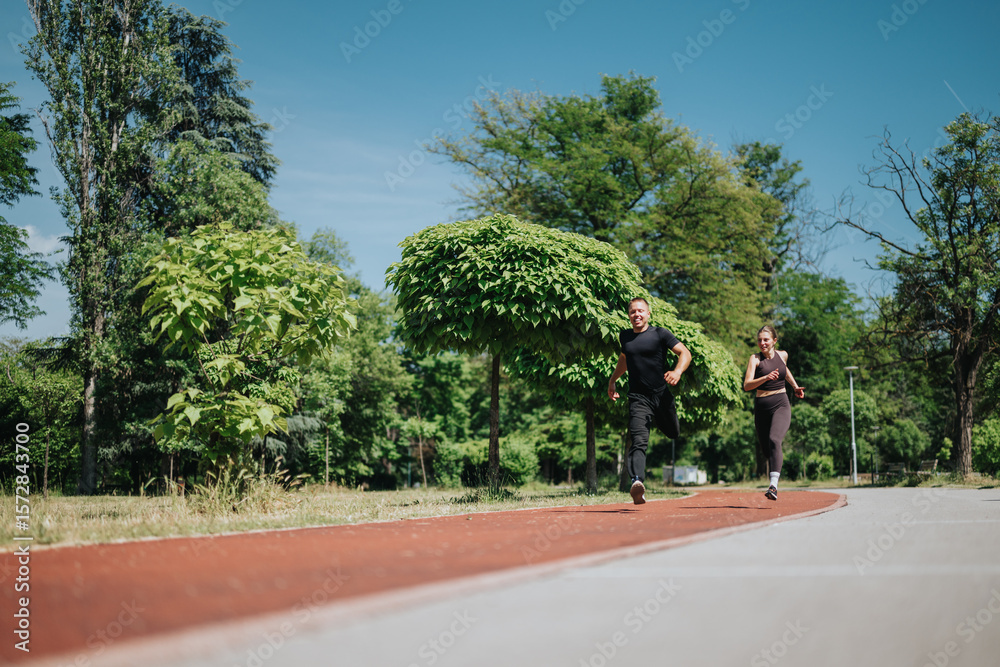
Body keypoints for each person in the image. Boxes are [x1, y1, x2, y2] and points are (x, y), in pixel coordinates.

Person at [608, 297, 692, 505]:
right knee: (638, 441)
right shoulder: (625, 337)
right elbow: (624, 359)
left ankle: (656, 420)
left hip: (661, 395)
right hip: (638, 397)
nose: (636, 314)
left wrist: (677, 371)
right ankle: (637, 482)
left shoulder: (660, 333)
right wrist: (612, 381)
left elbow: (685, 353)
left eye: (640, 311)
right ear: (629, 315)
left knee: (673, 432)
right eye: (632, 311)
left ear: (648, 314)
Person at [743, 325, 804, 500]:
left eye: (766, 339)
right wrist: (765, 377)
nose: (762, 343)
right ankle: (775, 473)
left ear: (774, 341)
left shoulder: (782, 355)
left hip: (781, 403)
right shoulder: (755, 359)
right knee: (766, 449)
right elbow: (747, 385)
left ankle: (773, 486)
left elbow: (785, 371)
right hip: (762, 407)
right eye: (760, 340)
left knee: (774, 439)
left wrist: (795, 386)